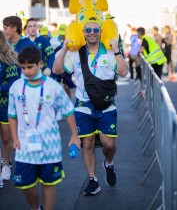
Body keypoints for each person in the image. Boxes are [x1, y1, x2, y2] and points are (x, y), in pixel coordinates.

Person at [53, 17, 128, 196]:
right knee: (86, 143)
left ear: (101, 32)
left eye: (96, 30)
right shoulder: (75, 52)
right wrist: (64, 48)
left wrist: (117, 51)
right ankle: (93, 181)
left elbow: (124, 72)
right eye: (89, 30)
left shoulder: (110, 52)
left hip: (106, 104)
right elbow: (56, 70)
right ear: (83, 33)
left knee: (108, 144)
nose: (92, 33)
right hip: (83, 105)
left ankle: (108, 163)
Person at [8, 46, 81, 210]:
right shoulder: (16, 87)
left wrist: (74, 136)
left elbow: (68, 111)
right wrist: (15, 138)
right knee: (24, 184)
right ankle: (36, 208)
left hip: (50, 147)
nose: (26, 71)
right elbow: (12, 115)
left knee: (49, 184)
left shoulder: (53, 86)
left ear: (40, 64)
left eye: (30, 67)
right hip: (25, 146)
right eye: (23, 67)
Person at [0, 31, 19, 181]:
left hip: (5, 105)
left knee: (6, 138)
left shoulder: (8, 59)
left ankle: (6, 165)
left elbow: (13, 82)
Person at [50, 23, 76, 99]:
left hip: (67, 66)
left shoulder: (71, 40)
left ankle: (69, 101)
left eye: (64, 34)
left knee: (67, 85)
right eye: (61, 34)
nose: (62, 36)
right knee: (56, 85)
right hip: (57, 65)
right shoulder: (53, 40)